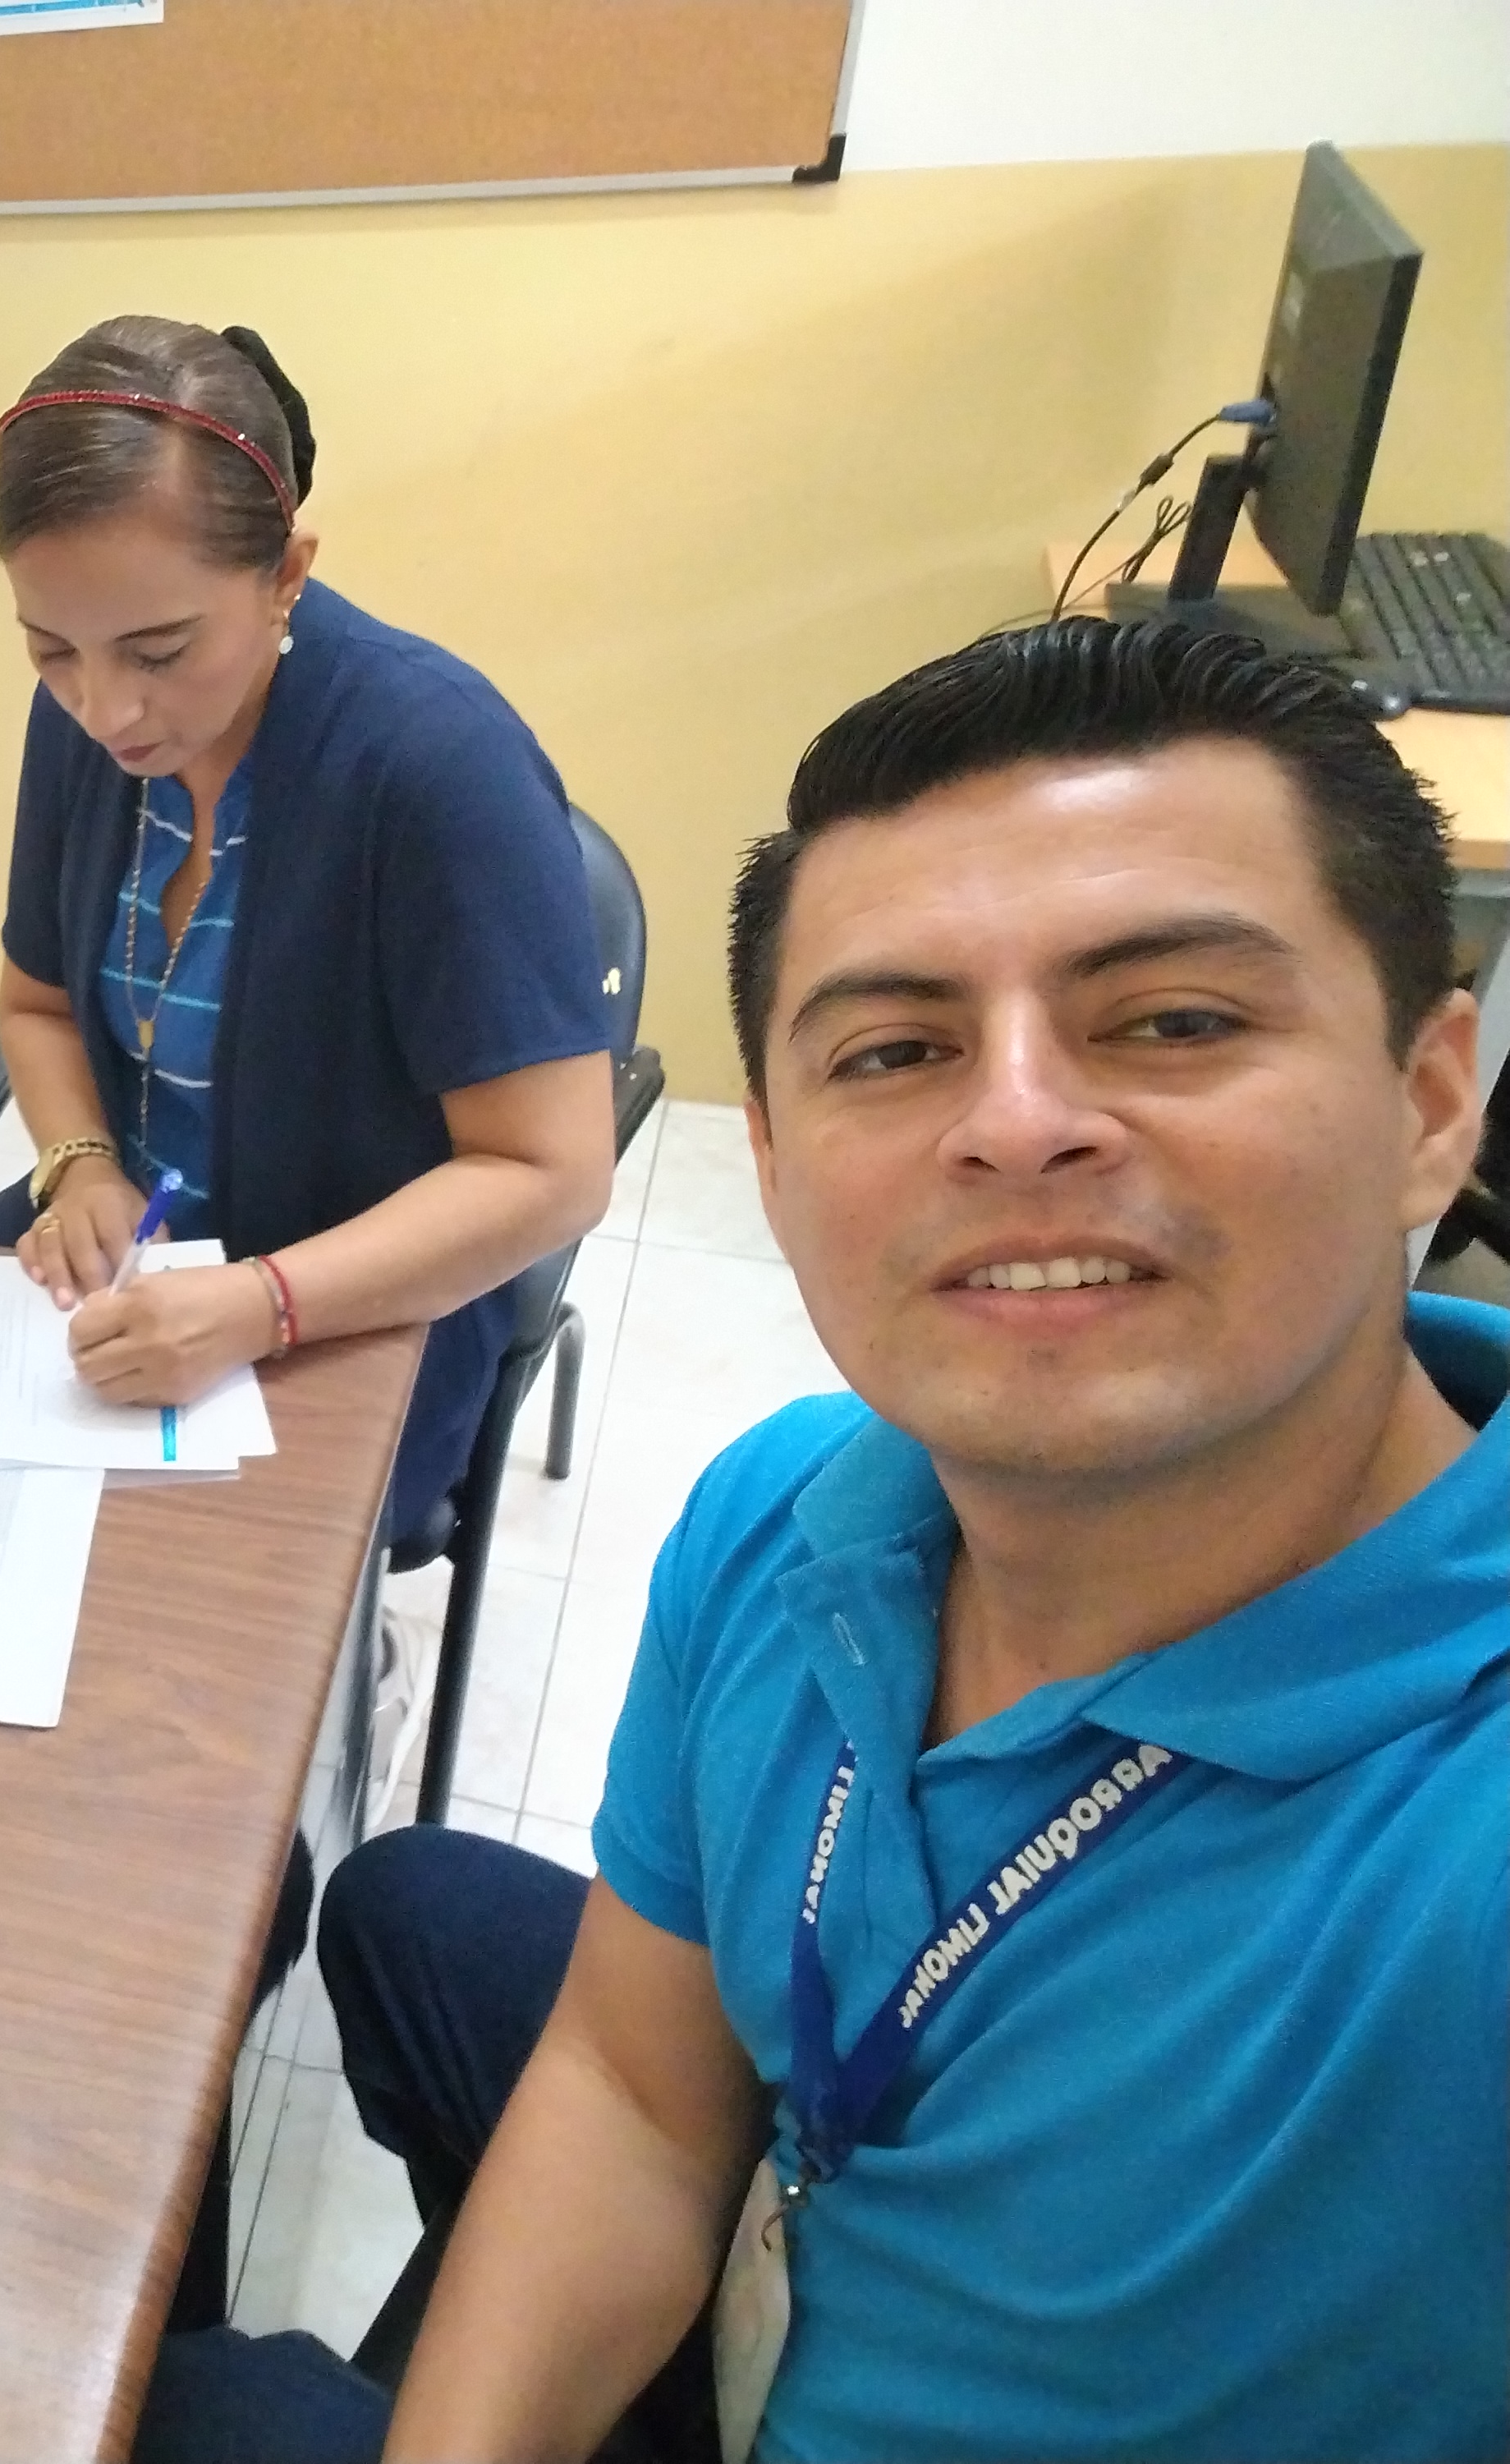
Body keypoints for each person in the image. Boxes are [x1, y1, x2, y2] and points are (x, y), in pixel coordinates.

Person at [140, 618, 1505, 2464]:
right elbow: (637, 2095)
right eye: (896, 1049)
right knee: (403, 1913)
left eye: (1173, 1020)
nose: (1016, 1124)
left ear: (1430, 1103)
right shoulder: (785, 1509)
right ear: (772, 1167)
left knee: (197, 2409)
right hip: (796, 2236)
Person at [0, 314, 619, 1559]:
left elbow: (552, 1172)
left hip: (359, 1296)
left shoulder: (435, 766)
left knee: (184, 1600)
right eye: (51, 651)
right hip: (138, 1243)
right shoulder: (90, 731)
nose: (106, 710)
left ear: (287, 575)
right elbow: (37, 1004)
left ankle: (348, 1665)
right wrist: (83, 1165)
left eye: (160, 651)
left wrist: (259, 1305)